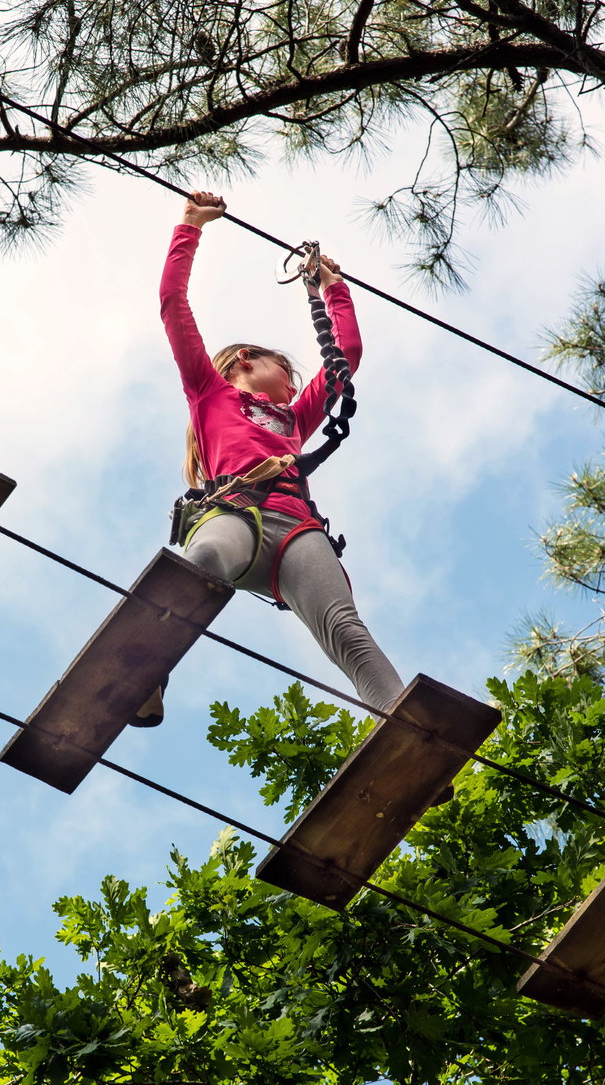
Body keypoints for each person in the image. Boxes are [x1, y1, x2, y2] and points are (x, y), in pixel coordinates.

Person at [134, 189, 403, 725]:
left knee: (345, 628)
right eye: (287, 371)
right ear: (246, 360)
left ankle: (402, 721)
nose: (294, 384)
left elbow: (344, 355)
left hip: (296, 532)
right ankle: (143, 673)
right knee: (204, 563)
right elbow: (172, 304)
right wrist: (190, 227)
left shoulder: (295, 421)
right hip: (235, 513)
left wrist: (333, 288)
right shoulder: (209, 391)